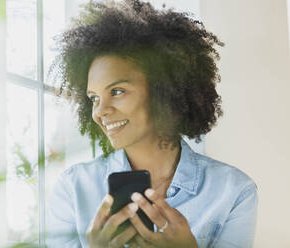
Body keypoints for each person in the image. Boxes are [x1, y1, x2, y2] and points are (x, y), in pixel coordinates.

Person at [46, 0, 258, 247]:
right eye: (93, 98)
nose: (100, 111)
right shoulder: (73, 190)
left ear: (163, 91)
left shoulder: (234, 192)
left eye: (117, 91)